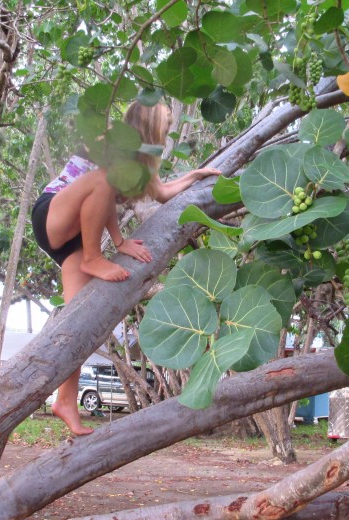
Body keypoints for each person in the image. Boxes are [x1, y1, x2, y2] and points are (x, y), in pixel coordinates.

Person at [31, 101, 222, 434]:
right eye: (164, 121)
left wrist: (195, 176)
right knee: (103, 178)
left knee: (80, 322)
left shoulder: (142, 163)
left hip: (73, 241)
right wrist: (116, 243)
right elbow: (101, 184)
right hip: (53, 216)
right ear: (146, 121)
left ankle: (65, 400)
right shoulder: (111, 141)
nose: (168, 128)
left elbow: (162, 193)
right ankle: (93, 258)